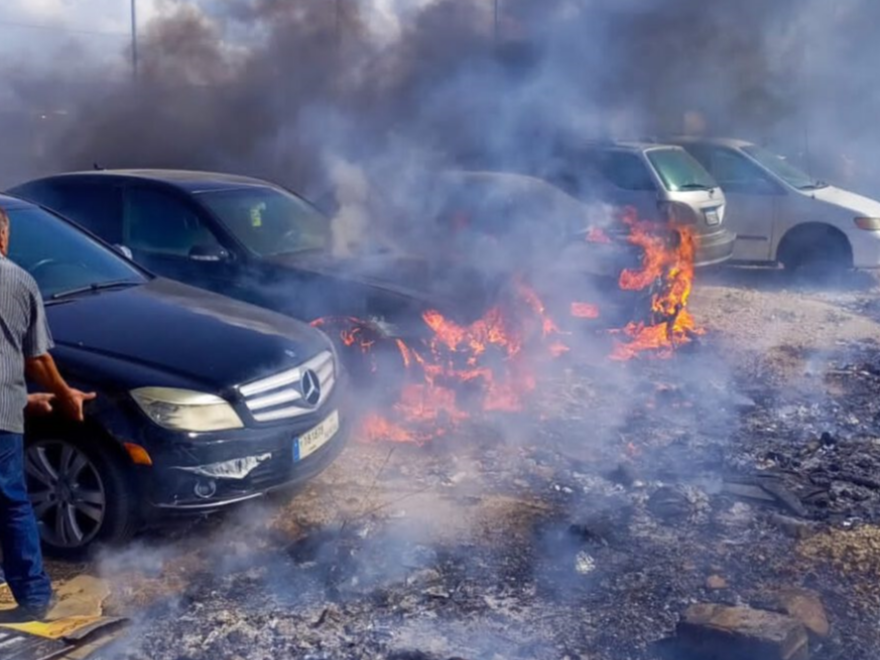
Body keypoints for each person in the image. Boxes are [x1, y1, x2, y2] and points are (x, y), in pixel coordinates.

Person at [0, 207, 95, 621]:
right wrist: (63, 394)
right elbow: (35, 360)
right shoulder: (18, 281)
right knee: (11, 502)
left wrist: (26, 399)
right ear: (3, 238)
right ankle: (35, 598)